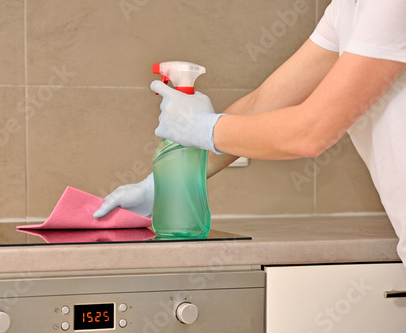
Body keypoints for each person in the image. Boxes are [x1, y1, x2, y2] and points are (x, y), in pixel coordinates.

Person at [93, 0, 406, 266]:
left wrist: (206, 127)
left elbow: (310, 133)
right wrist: (158, 186)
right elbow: (262, 103)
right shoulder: (349, 8)